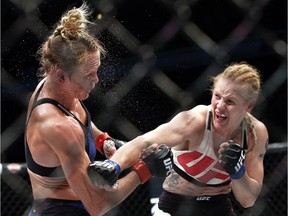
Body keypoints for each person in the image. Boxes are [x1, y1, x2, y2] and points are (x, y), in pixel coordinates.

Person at [24, 3, 172, 216]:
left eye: (96, 71)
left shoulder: (59, 91)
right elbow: (97, 204)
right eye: (88, 75)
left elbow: (80, 120)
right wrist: (144, 170)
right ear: (61, 75)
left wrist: (103, 140)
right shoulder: (57, 125)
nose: (96, 80)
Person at [93, 62, 269, 216]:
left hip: (218, 206)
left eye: (230, 101)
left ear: (249, 106)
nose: (220, 106)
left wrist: (238, 172)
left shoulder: (255, 134)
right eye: (217, 96)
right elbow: (144, 141)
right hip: (175, 205)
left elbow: (248, 200)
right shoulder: (194, 121)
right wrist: (114, 165)